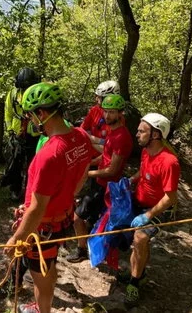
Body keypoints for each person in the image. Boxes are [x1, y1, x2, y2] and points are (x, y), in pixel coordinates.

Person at [4, 82, 94, 313]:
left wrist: (16, 238)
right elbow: (83, 174)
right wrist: (67, 196)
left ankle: (41, 310)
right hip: (62, 217)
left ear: (41, 113)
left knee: (41, 276)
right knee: (50, 266)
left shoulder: (49, 155)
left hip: (44, 226)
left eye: (31, 115)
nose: (31, 120)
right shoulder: (81, 137)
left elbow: (36, 209)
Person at [67, 94, 133, 263]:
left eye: (111, 112)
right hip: (100, 183)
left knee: (77, 217)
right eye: (105, 112)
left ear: (120, 113)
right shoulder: (113, 132)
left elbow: (112, 170)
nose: (107, 116)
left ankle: (81, 250)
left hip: (106, 186)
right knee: (93, 216)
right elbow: (105, 157)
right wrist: (88, 164)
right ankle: (94, 244)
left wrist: (86, 173)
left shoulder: (122, 137)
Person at [124, 113, 180, 306]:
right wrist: (132, 179)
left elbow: (170, 197)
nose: (137, 134)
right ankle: (139, 273)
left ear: (155, 135)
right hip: (140, 203)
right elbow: (144, 170)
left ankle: (134, 284)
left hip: (158, 209)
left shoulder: (169, 162)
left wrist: (148, 215)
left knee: (140, 238)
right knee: (134, 240)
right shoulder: (146, 151)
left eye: (141, 131)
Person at [2, 67, 42, 200]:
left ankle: (31, 190)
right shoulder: (13, 95)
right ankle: (15, 189)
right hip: (17, 132)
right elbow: (8, 113)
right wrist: (10, 131)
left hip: (34, 134)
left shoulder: (38, 93)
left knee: (33, 162)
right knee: (15, 162)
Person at [81, 80, 120, 151]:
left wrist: (93, 140)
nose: (96, 99)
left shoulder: (118, 116)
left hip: (105, 157)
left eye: (99, 97)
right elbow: (82, 130)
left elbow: (112, 146)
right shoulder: (94, 110)